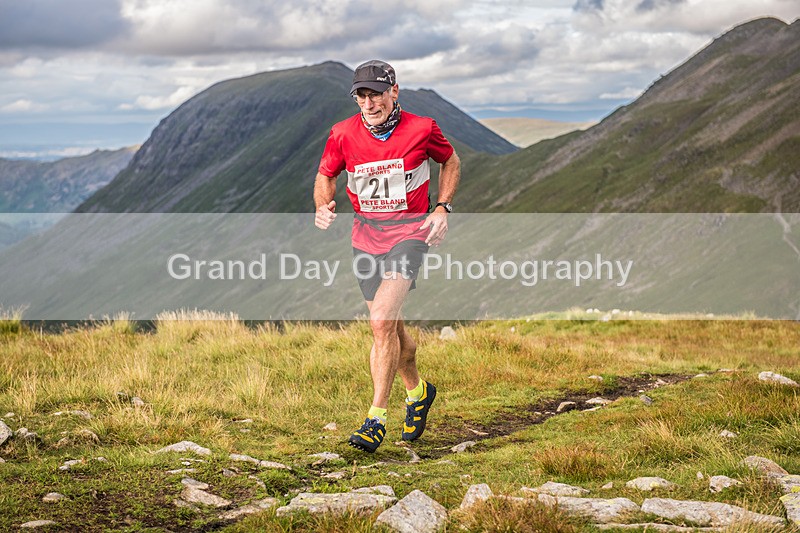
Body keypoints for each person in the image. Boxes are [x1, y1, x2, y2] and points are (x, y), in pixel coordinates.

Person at [313, 59, 461, 453]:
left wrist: (442, 207)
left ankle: (375, 418)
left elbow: (450, 160)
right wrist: (322, 204)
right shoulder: (342, 133)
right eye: (361, 96)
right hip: (365, 238)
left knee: (380, 322)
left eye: (376, 94)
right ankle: (418, 392)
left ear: (394, 91)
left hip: (410, 235)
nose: (369, 103)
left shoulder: (422, 128)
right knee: (391, 330)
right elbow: (326, 174)